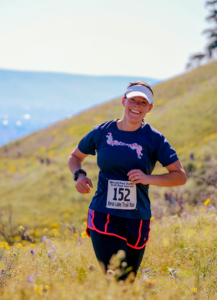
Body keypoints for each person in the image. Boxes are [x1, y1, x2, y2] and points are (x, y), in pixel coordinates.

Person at [67, 81, 186, 280]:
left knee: (127, 283)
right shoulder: (102, 131)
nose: (137, 106)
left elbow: (179, 176)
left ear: (150, 108)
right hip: (104, 214)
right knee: (117, 279)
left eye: (143, 102)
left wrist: (148, 178)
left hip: (137, 218)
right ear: (124, 101)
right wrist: (79, 175)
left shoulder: (155, 139)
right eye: (133, 100)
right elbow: (75, 157)